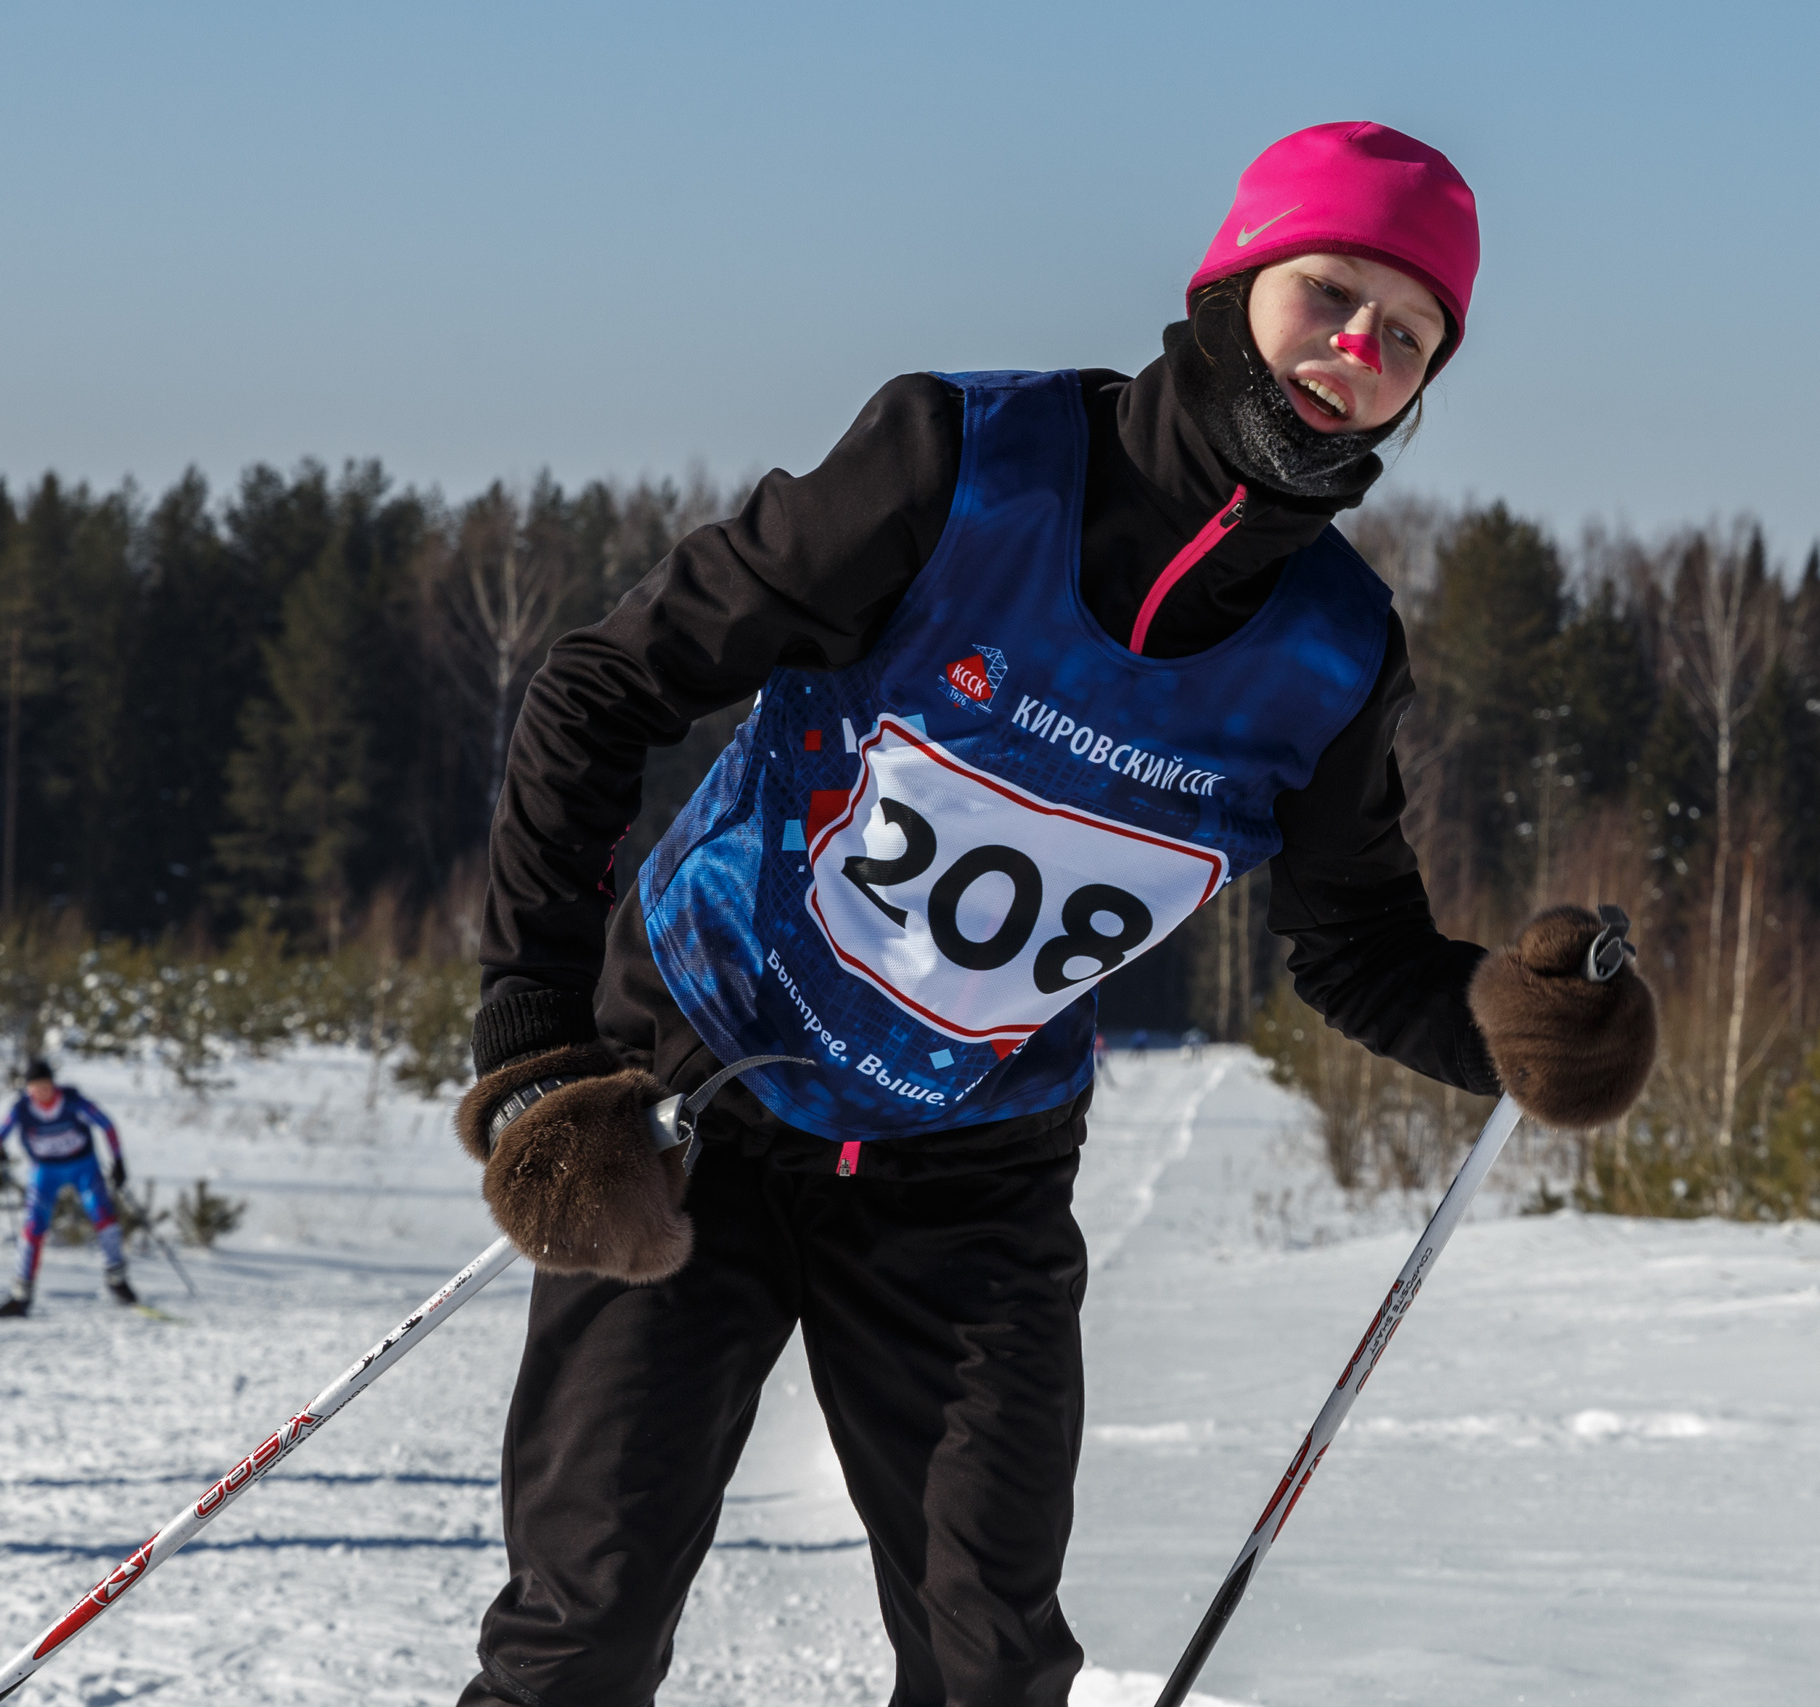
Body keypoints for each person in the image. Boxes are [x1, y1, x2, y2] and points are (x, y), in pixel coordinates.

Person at [453, 122, 1658, 1707]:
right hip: (693, 1092)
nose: (1359, 347)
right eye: (1332, 292)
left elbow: (1355, 945)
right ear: (1235, 282)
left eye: (1409, 333)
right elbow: (606, 685)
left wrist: (1519, 1023)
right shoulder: (965, 462)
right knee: (584, 1625)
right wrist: (539, 1046)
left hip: (973, 1173)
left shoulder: (1333, 653)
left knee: (990, 1659)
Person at [0, 1058, 134, 1317]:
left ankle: (117, 1279)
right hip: (45, 1171)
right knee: (33, 1227)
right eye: (35, 1087)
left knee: (103, 1216)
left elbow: (107, 1125)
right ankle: (21, 1296)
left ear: (53, 1084)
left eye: (45, 1086)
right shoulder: (21, 1109)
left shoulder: (73, 1102)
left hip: (83, 1167)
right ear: (28, 1088)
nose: (41, 1092)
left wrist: (118, 1161)